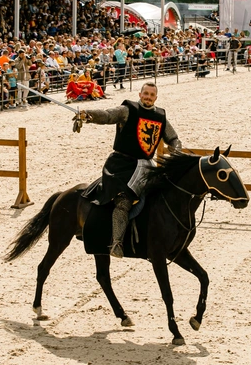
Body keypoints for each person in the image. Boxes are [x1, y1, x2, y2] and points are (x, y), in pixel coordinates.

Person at [78, 82, 182, 258]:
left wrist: (177, 152)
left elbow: (173, 138)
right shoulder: (128, 110)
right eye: (146, 94)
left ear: (156, 97)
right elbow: (107, 115)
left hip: (146, 166)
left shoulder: (160, 116)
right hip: (122, 165)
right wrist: (88, 115)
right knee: (124, 201)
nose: (148, 97)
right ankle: (117, 243)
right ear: (140, 94)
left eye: (152, 95)